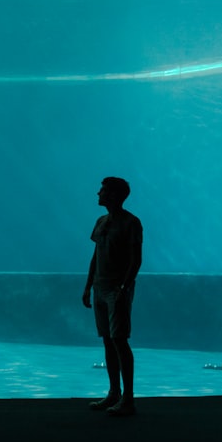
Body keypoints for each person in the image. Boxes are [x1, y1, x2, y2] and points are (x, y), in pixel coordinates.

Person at [82, 177, 143, 417]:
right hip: (99, 287)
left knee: (120, 340)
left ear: (115, 195)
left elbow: (135, 259)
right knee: (107, 339)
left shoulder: (132, 223)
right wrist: (88, 286)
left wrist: (123, 288)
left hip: (117, 290)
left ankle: (128, 398)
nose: (98, 193)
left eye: (104, 191)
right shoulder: (100, 221)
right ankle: (114, 392)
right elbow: (96, 256)